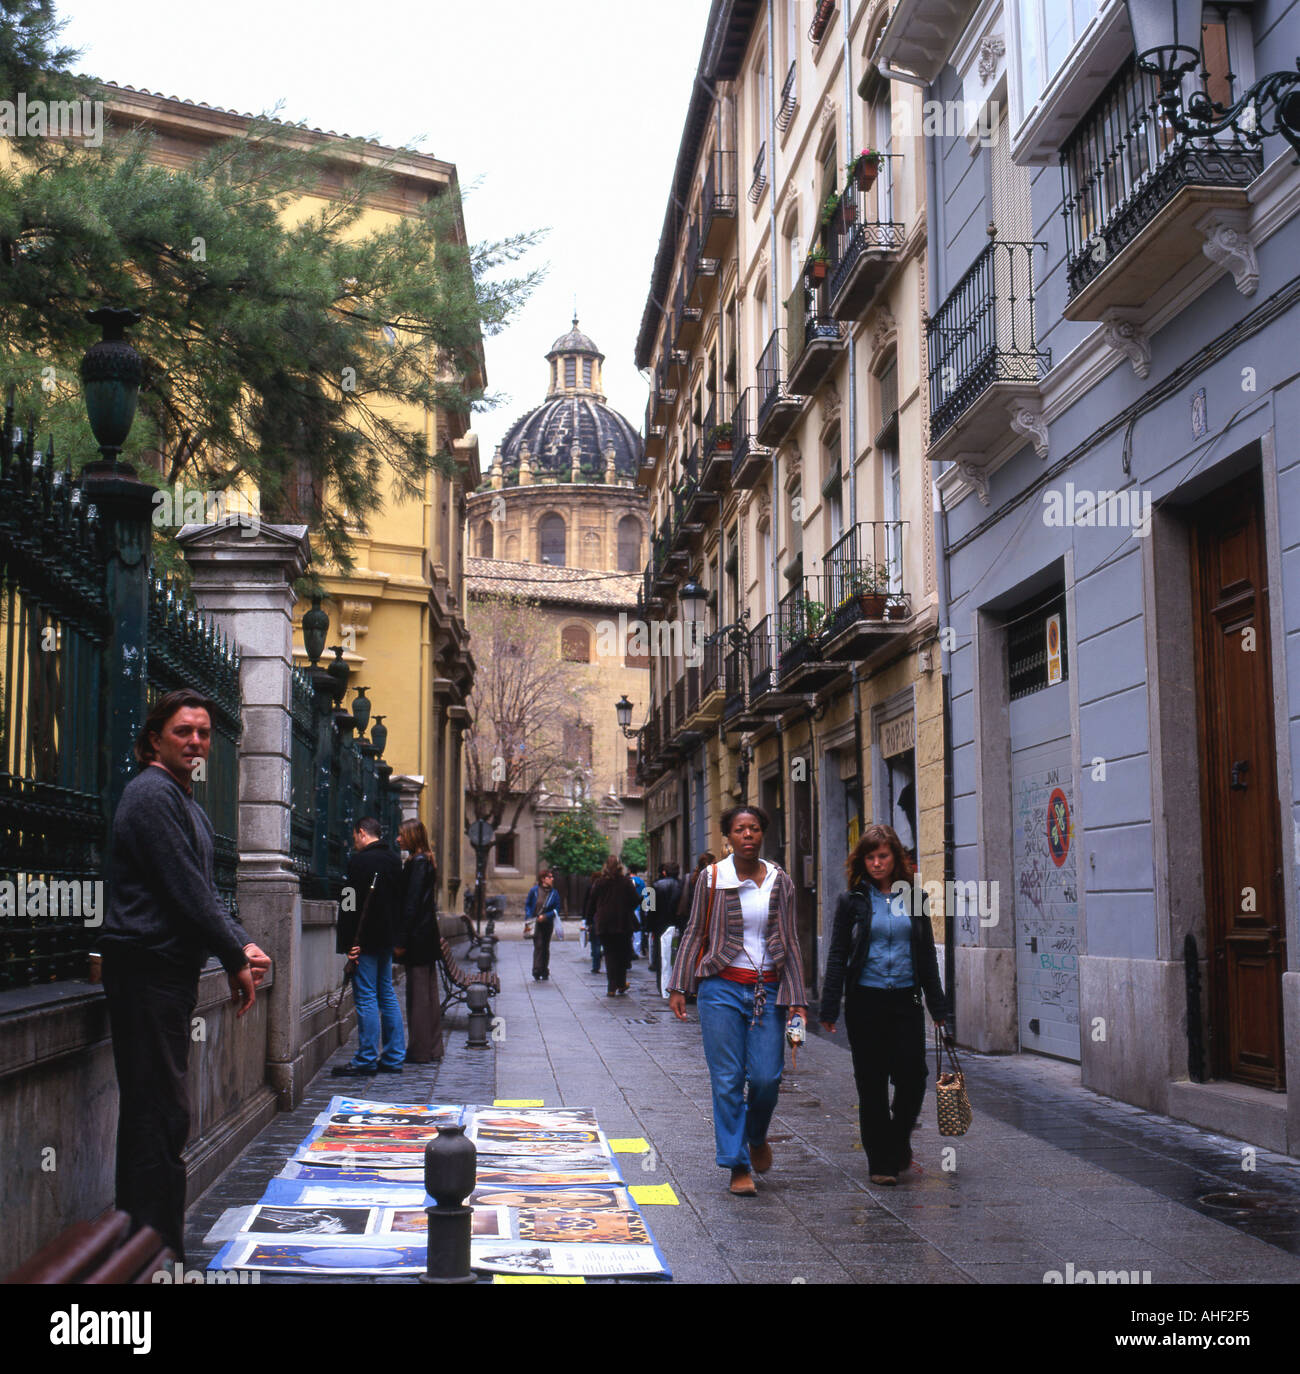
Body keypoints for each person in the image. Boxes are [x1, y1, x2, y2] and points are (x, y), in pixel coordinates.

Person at [99, 689, 271, 1259]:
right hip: (145, 973)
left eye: (203, 733)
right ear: (154, 739)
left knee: (163, 1115)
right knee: (158, 1116)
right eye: (182, 731)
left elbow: (204, 896)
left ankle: (149, 1248)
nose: (196, 741)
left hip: (166, 974)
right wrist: (235, 954)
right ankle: (153, 1255)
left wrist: (237, 949)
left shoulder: (185, 802)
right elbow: (187, 894)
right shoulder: (151, 795)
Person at [668, 809, 805, 1196]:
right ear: (727, 836)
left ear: (763, 834)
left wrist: (797, 998)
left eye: (755, 829)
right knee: (727, 1080)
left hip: (769, 990)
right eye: (740, 829)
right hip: (721, 989)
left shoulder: (781, 881)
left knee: (766, 1077)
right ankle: (737, 1164)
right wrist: (678, 986)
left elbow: (790, 939)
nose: (748, 835)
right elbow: (694, 932)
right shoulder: (712, 879)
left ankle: (756, 1135)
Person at [819, 823, 949, 1186]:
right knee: (871, 1083)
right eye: (870, 857)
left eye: (883, 856)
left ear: (896, 858)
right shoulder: (852, 901)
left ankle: (897, 1139)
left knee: (914, 1078)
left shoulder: (916, 899)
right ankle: (882, 1162)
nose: (877, 863)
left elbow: (925, 956)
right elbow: (838, 953)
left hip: (905, 1001)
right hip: (865, 1002)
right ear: (862, 861)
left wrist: (938, 1010)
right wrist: (829, 1006)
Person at [332, 816, 406, 1076]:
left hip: (363, 939)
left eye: (355, 837)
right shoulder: (395, 861)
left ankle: (366, 1058)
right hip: (386, 939)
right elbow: (400, 902)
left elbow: (349, 904)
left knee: (365, 997)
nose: (354, 841)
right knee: (386, 992)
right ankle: (395, 1056)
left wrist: (349, 943)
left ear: (362, 833)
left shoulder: (359, 861)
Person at [394, 819, 442, 1062]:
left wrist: (401, 939)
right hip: (425, 936)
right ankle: (430, 1048)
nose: (398, 839)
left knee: (419, 996)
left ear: (412, 837)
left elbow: (411, 903)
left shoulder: (419, 863)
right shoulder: (424, 860)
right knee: (427, 995)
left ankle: (420, 1050)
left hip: (417, 937)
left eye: (402, 835)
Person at [583, 855, 639, 996]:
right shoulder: (626, 882)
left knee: (609, 954)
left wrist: (589, 920)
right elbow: (634, 901)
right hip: (622, 923)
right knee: (622, 953)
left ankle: (611, 987)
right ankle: (620, 983)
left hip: (604, 923)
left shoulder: (599, 883)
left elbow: (591, 903)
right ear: (620, 866)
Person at [525, 868, 562, 981]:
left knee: (545, 946)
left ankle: (544, 969)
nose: (552, 879)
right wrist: (529, 916)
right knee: (538, 945)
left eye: (552, 877)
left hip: (547, 923)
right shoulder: (534, 891)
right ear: (543, 879)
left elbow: (557, 908)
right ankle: (536, 969)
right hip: (535, 922)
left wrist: (546, 916)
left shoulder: (554, 893)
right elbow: (527, 904)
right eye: (549, 877)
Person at [648, 863, 682, 975]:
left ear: (664, 872)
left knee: (660, 954)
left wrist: (648, 925)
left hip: (659, 925)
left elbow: (649, 907)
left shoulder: (655, 885)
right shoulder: (682, 885)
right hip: (677, 924)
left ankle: (661, 980)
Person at [628, 862, 650, 958]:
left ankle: (630, 950)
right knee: (637, 930)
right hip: (638, 908)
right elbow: (645, 895)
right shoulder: (641, 881)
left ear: (629, 871)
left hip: (628, 909)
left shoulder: (627, 881)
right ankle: (637, 950)